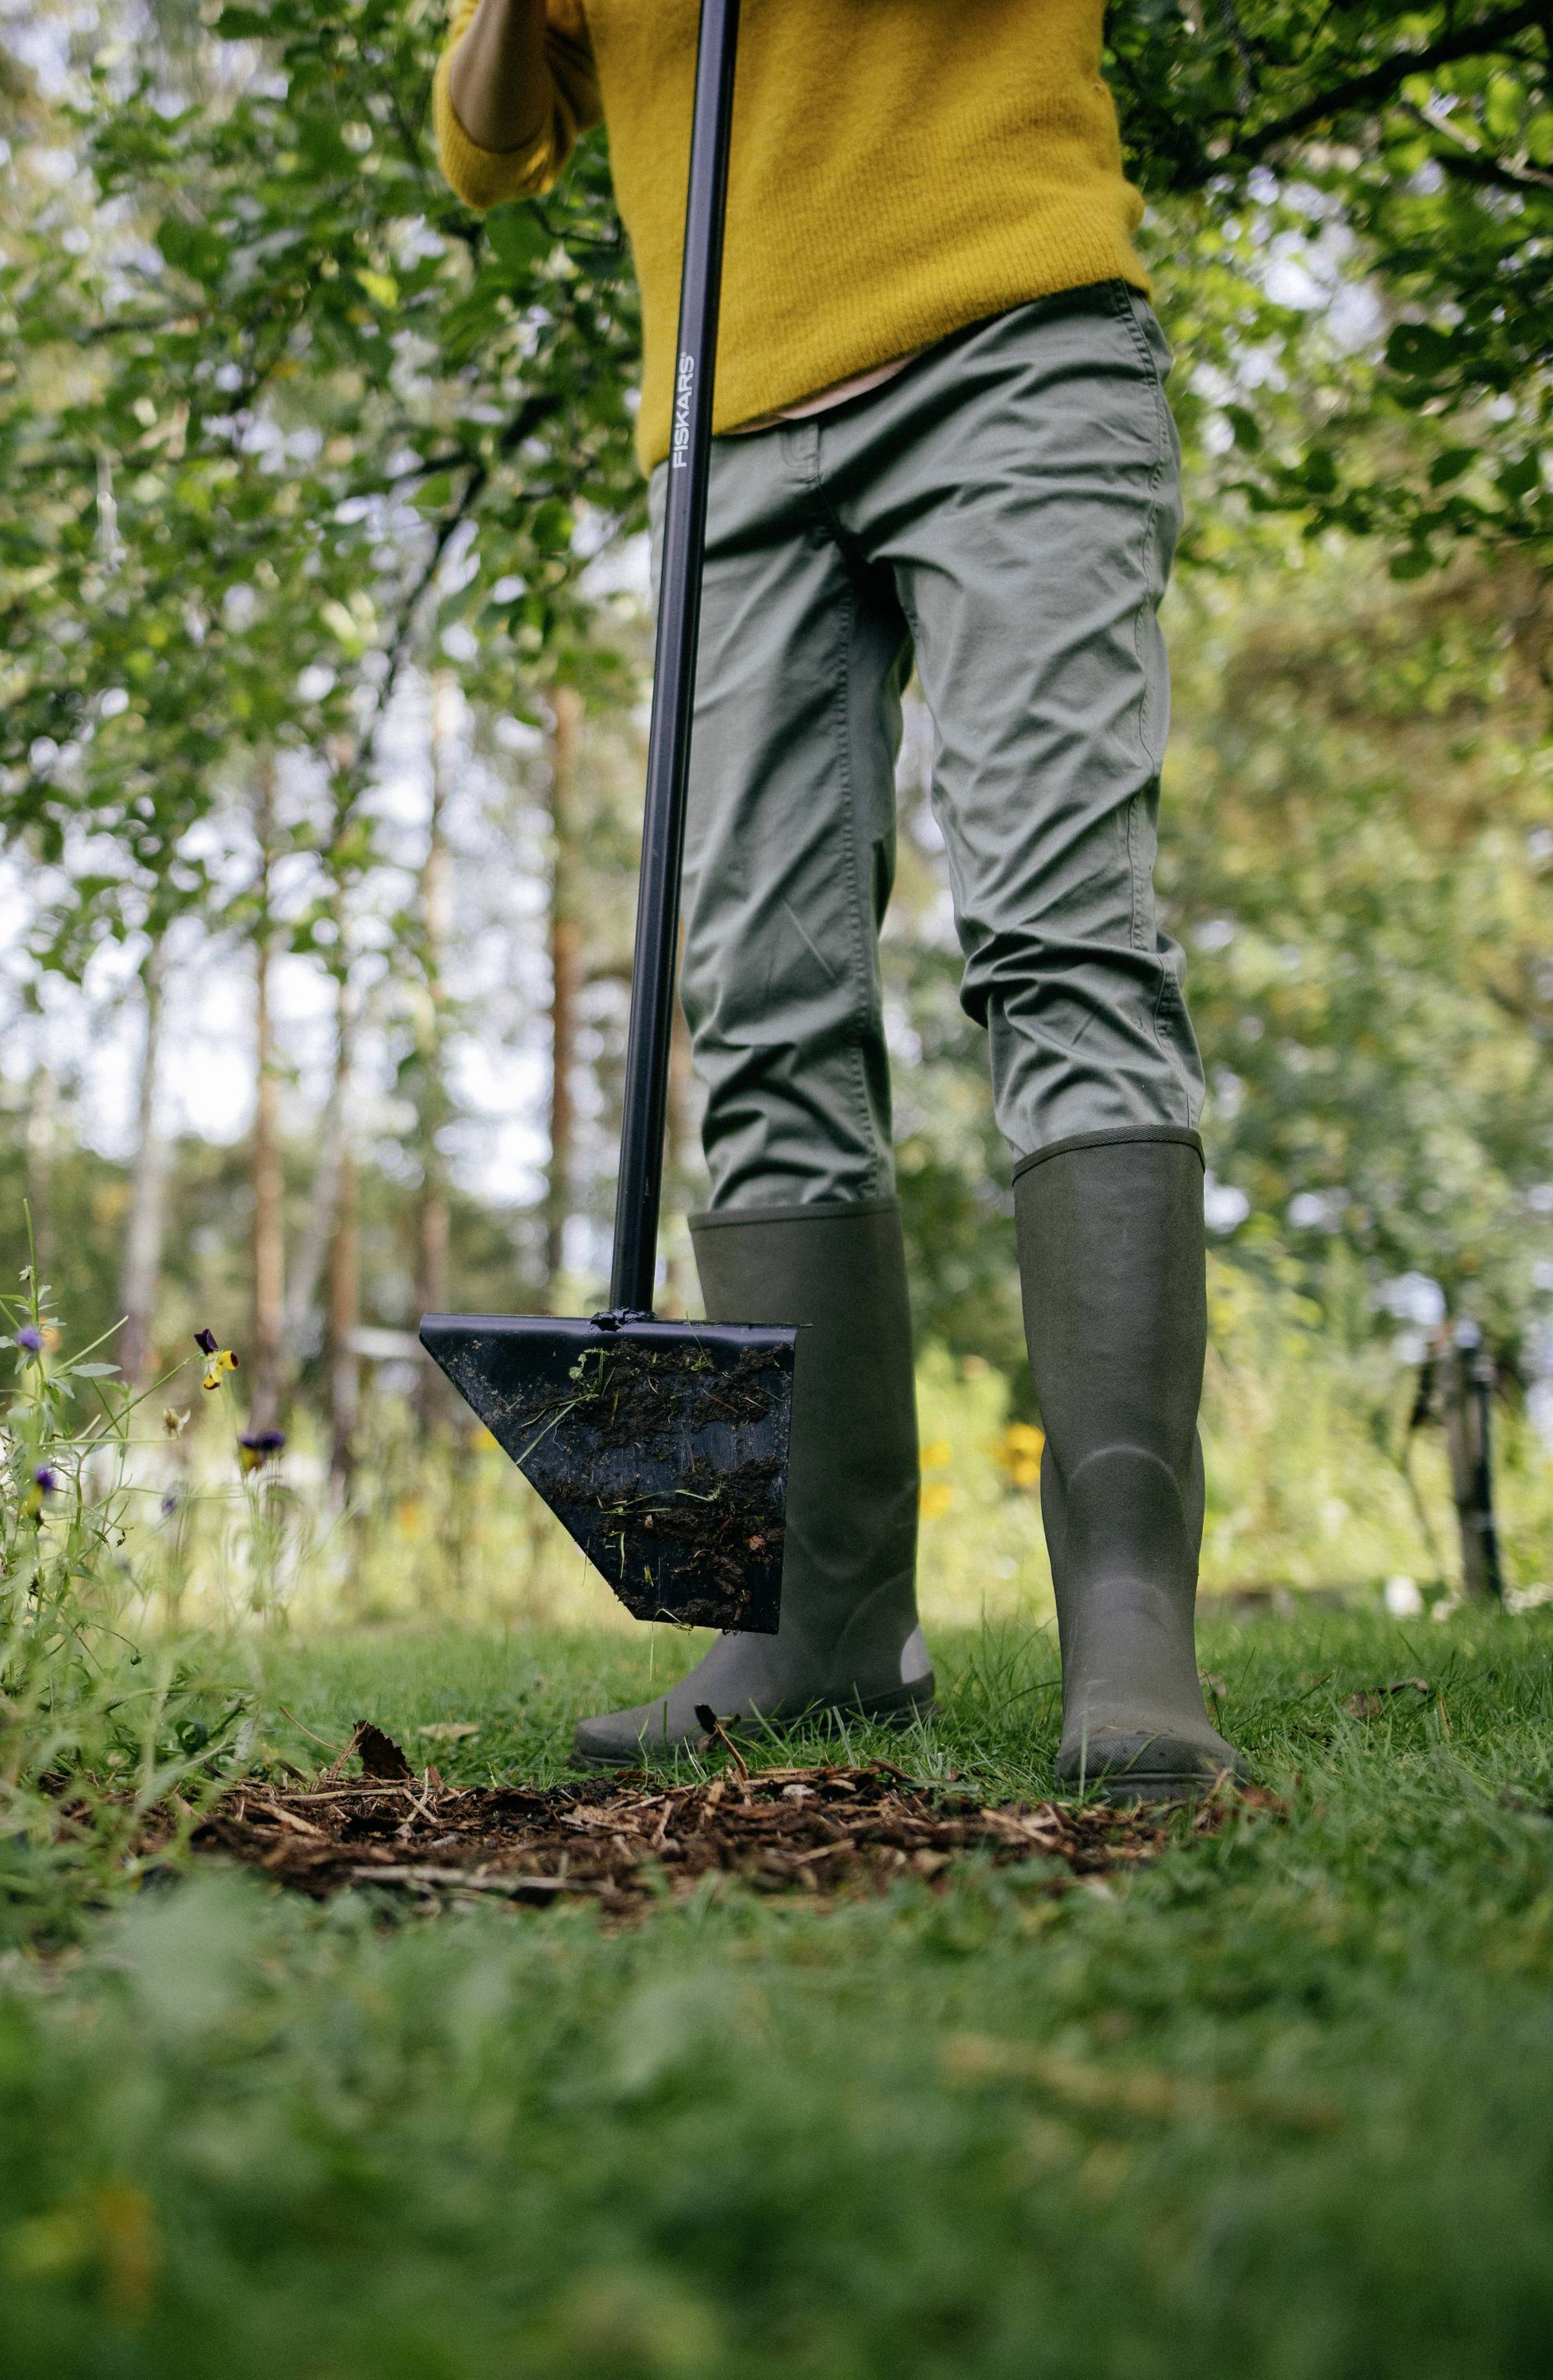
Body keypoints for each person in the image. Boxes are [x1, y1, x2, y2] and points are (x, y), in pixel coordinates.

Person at [436, 0, 1244, 1796]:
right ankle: (822, 1621)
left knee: (1060, 933)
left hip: (1009, 343)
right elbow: (486, 143)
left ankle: (1130, 1619)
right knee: (764, 1000)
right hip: (727, 433)